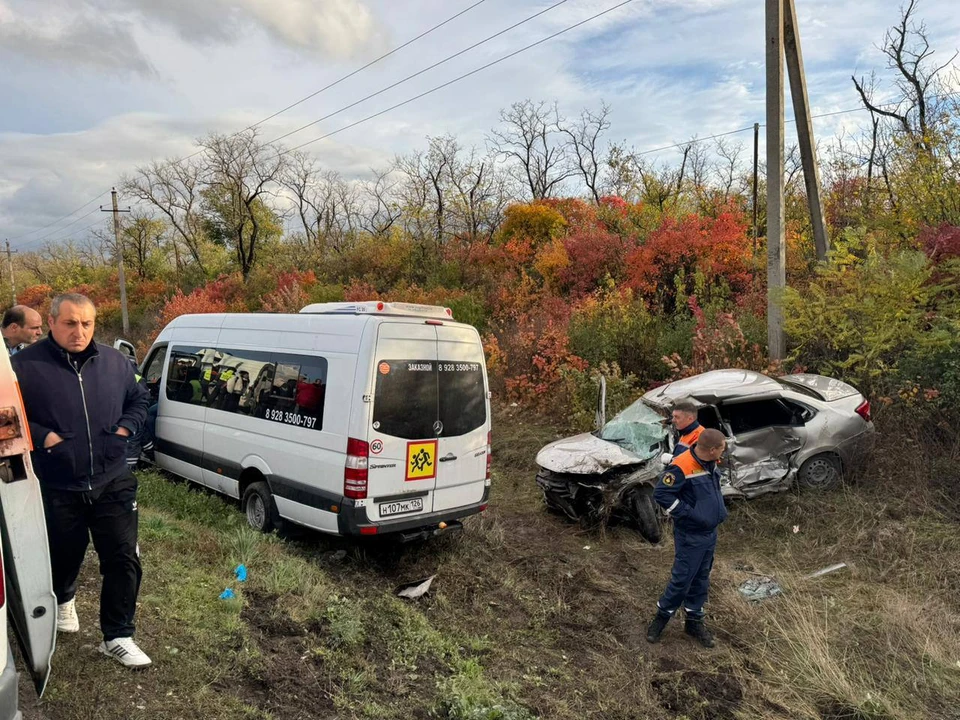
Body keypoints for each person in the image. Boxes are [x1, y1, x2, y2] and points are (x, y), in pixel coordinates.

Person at [11, 293, 152, 668]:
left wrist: (125, 429)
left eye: (87, 323)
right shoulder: (23, 366)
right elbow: (7, 415)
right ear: (52, 322)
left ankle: (118, 635)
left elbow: (140, 399)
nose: (79, 331)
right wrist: (44, 437)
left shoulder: (115, 362)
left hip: (112, 478)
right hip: (57, 482)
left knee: (123, 557)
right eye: (70, 323)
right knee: (64, 554)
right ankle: (64, 597)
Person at [646, 428, 728, 648]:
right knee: (682, 579)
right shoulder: (681, 466)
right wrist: (688, 514)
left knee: (701, 578)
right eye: (722, 448)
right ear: (712, 450)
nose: (724, 451)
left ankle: (694, 621)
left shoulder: (711, 463)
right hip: (691, 535)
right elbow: (661, 494)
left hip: (709, 533)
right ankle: (661, 619)